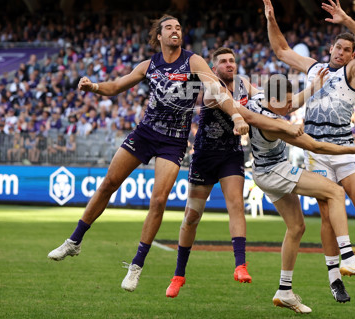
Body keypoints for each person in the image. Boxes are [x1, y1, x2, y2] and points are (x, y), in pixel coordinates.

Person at [48, 15, 251, 294]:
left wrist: (237, 116)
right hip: (144, 134)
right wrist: (94, 87)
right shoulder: (149, 65)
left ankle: (136, 266)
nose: (175, 31)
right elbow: (117, 86)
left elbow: (216, 89)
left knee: (158, 200)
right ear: (159, 35)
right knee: (109, 183)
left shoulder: (193, 61)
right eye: (169, 28)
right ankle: (74, 241)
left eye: (179, 27)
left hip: (173, 142)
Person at [263, 0, 355, 298]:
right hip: (317, 150)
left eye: (348, 50)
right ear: (330, 49)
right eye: (339, 47)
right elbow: (281, 49)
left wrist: (347, 20)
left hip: (344, 148)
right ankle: (335, 277)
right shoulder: (313, 69)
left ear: (350, 56)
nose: (342, 53)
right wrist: (271, 20)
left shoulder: (352, 74)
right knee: (327, 214)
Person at [165, 47, 310, 298]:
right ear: (214, 67)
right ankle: (179, 274)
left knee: (236, 205)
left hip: (231, 154)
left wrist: (298, 95)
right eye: (223, 61)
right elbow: (238, 109)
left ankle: (240, 265)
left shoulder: (243, 82)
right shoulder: (211, 84)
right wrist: (258, 121)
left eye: (232, 60)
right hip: (205, 155)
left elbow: (265, 101)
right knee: (191, 216)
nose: (229, 64)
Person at [246, 75, 355, 313]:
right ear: (274, 99)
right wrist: (354, 149)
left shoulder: (258, 100)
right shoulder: (277, 125)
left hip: (262, 171)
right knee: (335, 192)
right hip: (275, 170)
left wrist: (312, 88)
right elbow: (316, 147)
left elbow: (251, 86)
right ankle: (348, 258)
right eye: (286, 102)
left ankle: (284, 291)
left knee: (297, 227)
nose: (291, 106)